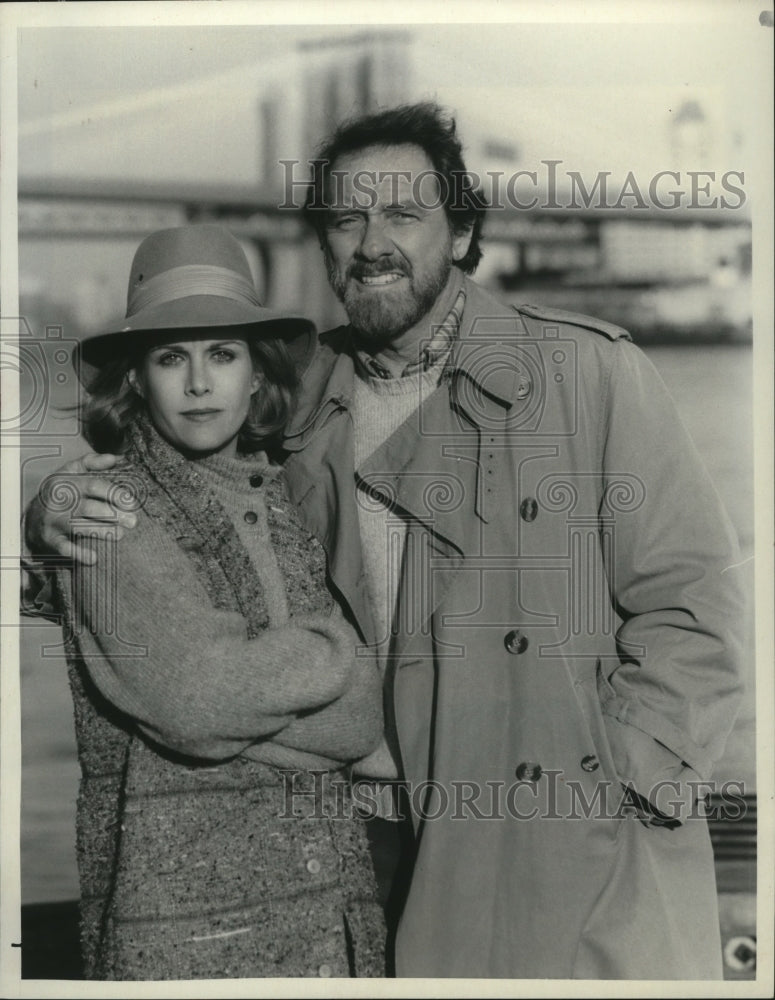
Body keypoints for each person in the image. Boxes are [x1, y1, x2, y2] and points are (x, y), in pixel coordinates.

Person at [26, 103, 746, 980]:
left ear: (462, 228)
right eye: (345, 218)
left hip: (552, 841)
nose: (372, 242)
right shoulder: (289, 396)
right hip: (356, 843)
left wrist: (617, 781)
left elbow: (694, 602)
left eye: (403, 213)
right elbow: (166, 483)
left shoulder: (587, 374)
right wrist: (54, 508)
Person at [30, 224, 386, 980]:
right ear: (135, 379)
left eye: (222, 355)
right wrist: (340, 660)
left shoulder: (284, 500)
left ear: (257, 376)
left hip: (322, 922)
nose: (198, 384)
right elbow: (199, 701)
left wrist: (247, 710)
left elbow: (352, 722)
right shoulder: (108, 512)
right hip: (182, 946)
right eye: (171, 358)